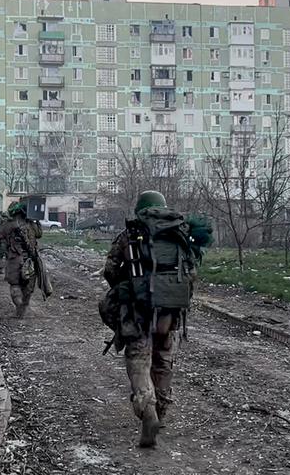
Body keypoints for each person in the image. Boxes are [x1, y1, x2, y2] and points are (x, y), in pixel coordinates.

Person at [100, 191, 211, 448]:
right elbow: (191, 272)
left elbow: (109, 270)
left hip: (137, 311)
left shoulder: (129, 235)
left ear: (140, 210)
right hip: (170, 312)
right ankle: (160, 413)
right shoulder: (178, 235)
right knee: (163, 362)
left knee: (139, 361)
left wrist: (127, 288)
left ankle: (146, 409)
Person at [0, 201, 47, 317]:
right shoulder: (30, 224)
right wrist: (36, 221)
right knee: (28, 287)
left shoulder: (8, 224)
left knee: (15, 284)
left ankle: (19, 308)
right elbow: (39, 234)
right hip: (30, 260)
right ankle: (23, 309)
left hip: (14, 259)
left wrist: (0, 254)